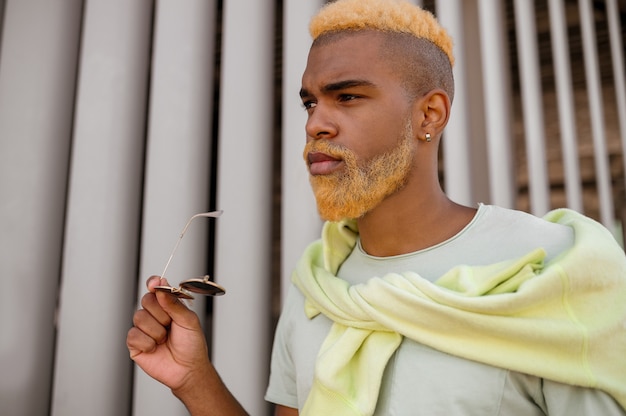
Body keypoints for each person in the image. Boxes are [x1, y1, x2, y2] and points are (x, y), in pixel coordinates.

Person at [126, 0, 626, 414]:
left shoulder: (554, 266)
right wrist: (194, 380)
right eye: (310, 102)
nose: (315, 123)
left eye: (346, 97)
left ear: (429, 114)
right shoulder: (319, 285)